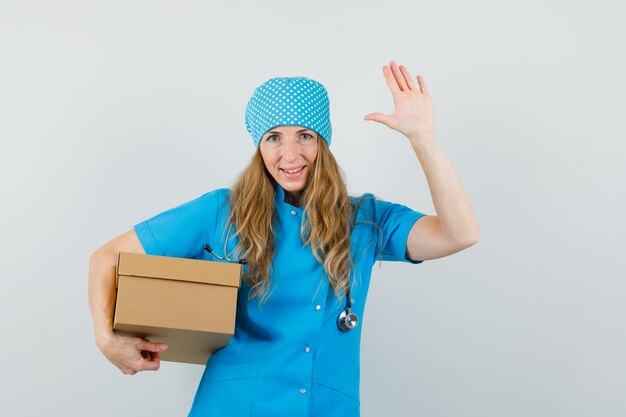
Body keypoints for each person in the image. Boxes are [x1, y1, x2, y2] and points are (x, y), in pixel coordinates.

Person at [88, 60, 480, 416]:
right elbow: (106, 257)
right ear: (258, 147)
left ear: (323, 142)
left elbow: (459, 234)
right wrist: (107, 339)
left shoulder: (365, 220)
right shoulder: (221, 210)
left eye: (304, 135)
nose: (290, 154)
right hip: (235, 407)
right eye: (274, 137)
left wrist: (422, 140)